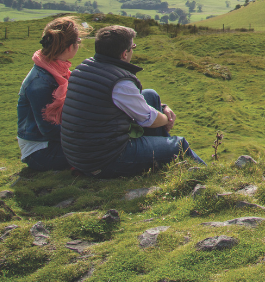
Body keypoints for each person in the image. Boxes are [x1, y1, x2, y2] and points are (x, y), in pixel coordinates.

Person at [61, 25, 204, 178]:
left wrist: (162, 107)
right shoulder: (119, 83)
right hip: (105, 160)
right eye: (132, 47)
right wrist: (165, 119)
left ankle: (160, 158)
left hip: (82, 154)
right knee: (179, 145)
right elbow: (149, 119)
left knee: (150, 95)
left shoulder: (84, 68)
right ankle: (207, 176)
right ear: (124, 53)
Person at [17, 16, 85, 171]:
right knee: (104, 149)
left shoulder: (54, 70)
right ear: (69, 47)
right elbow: (49, 129)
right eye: (78, 41)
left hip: (49, 142)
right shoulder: (41, 83)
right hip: (40, 150)